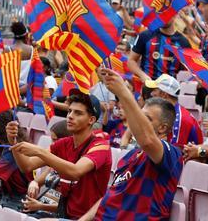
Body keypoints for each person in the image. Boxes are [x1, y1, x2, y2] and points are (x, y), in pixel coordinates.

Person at [75, 68, 183, 220]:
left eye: (146, 118)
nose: (138, 121)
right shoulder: (131, 156)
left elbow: (147, 140)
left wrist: (123, 93)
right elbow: (111, 194)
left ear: (163, 128)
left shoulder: (172, 154)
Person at [7, 91, 111, 219]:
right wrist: (13, 141)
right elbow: (27, 166)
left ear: (91, 120)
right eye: (69, 111)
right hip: (64, 214)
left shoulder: (101, 146)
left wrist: (40, 151)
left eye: (78, 113)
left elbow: (75, 171)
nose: (70, 116)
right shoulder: (64, 143)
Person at [145, 74, 203, 148]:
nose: (151, 93)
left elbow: (175, 155)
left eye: (155, 90)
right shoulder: (169, 113)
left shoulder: (180, 119)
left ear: (164, 94)